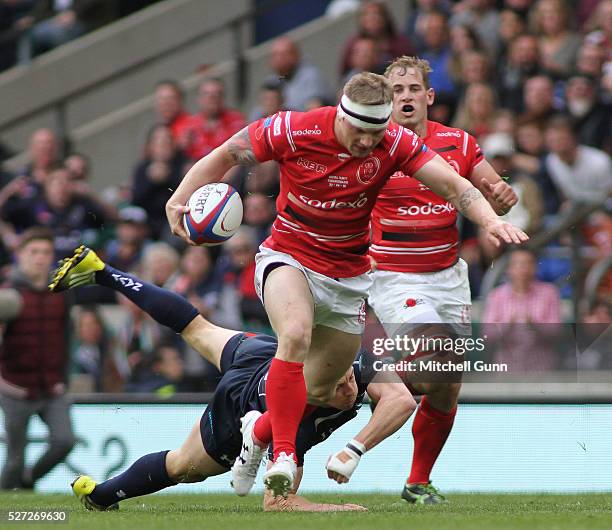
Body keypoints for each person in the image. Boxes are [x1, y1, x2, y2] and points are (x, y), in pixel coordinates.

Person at [164, 71, 528, 498]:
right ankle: (283, 454)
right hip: (290, 256)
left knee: (324, 389)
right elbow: (226, 153)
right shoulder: (294, 128)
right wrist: (180, 195)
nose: (366, 143)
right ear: (341, 114)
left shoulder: (393, 142)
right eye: (358, 132)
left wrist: (490, 222)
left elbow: (456, 187)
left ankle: (258, 431)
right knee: (295, 334)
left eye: (375, 133)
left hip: (348, 276)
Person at [49, 245, 415, 512]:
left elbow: (401, 400)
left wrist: (354, 449)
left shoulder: (350, 361)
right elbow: (278, 505)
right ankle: (101, 496)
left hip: (262, 354)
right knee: (182, 467)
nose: (348, 386)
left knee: (195, 327)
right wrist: (337, 510)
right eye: (335, 385)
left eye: (346, 378)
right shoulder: (297, 426)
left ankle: (101, 271)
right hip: (239, 404)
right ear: (313, 387)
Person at [368, 56, 519, 504]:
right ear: (385, 99)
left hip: (449, 277)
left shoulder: (459, 143)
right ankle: (367, 380)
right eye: (397, 91)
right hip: (393, 277)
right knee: (434, 353)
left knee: (448, 380)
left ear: (429, 96)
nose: (406, 97)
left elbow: (494, 193)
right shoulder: (372, 147)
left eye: (414, 89)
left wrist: (504, 196)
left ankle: (417, 482)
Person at [0, 227, 75, 489]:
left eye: (45, 252)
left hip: (52, 387)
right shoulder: (8, 296)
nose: (40, 258)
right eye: (33, 252)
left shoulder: (61, 292)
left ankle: (28, 481)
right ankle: (8, 509)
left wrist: (64, 377)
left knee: (65, 441)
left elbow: (67, 337)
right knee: (14, 458)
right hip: (15, 389)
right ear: (19, 255)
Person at [180, 78, 245, 161]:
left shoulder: (236, 120)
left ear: (223, 98)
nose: (212, 98)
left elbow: (241, 155)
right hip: (197, 167)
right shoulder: (189, 125)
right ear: (199, 99)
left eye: (217, 94)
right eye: (207, 94)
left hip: (230, 166)